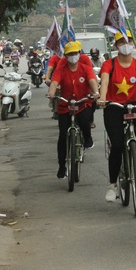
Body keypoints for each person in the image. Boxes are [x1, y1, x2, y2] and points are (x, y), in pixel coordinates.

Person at [97, 30, 136, 202]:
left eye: (129, 41)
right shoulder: (109, 64)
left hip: (133, 104)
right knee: (116, 146)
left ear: (134, 43)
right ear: (116, 46)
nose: (126, 45)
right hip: (114, 107)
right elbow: (105, 82)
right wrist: (102, 98)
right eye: (122, 42)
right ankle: (112, 185)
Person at [48, 41, 100, 179]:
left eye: (75, 53)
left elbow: (92, 81)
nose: (73, 56)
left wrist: (95, 92)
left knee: (84, 121)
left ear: (79, 54)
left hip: (82, 103)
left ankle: (87, 137)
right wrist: (51, 93)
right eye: (70, 54)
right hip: (65, 106)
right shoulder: (61, 69)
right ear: (66, 55)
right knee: (62, 137)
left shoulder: (85, 68)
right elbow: (54, 82)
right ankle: (61, 166)